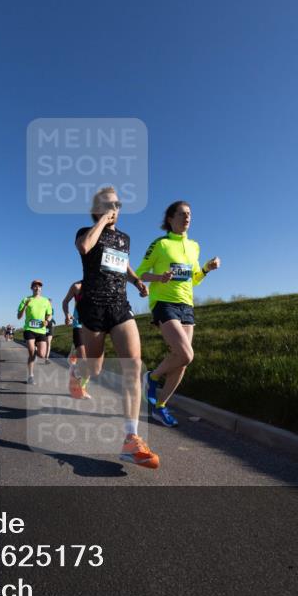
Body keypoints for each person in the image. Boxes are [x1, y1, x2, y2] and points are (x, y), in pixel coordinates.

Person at [73, 186, 159, 469]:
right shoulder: (85, 231)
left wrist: (135, 280)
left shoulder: (124, 238)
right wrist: (101, 221)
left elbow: (123, 263)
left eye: (118, 204)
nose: (115, 208)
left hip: (120, 306)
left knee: (133, 366)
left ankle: (131, 438)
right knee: (94, 369)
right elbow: (85, 247)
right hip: (93, 308)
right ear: (97, 208)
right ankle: (79, 372)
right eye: (109, 204)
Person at [136, 200, 220, 427]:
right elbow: (140, 273)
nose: (187, 218)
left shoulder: (194, 246)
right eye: (182, 214)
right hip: (164, 303)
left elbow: (193, 280)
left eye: (189, 214)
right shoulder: (160, 244)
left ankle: (160, 407)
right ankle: (151, 377)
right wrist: (159, 277)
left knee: (182, 361)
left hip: (187, 304)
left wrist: (205, 270)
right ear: (170, 219)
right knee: (186, 354)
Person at [17, 280, 53, 384]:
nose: (37, 288)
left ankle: (36, 350)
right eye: (35, 286)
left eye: (39, 287)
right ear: (31, 288)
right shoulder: (26, 299)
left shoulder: (45, 301)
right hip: (29, 329)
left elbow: (49, 314)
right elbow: (19, 317)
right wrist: (25, 306)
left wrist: (47, 320)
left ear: (41, 289)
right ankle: (31, 376)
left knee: (42, 355)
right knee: (32, 353)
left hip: (41, 330)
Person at [61, 280, 91, 399]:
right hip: (78, 325)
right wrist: (67, 314)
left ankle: (72, 360)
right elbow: (65, 301)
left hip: (94, 327)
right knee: (85, 361)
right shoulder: (77, 286)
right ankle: (81, 388)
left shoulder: (103, 285)